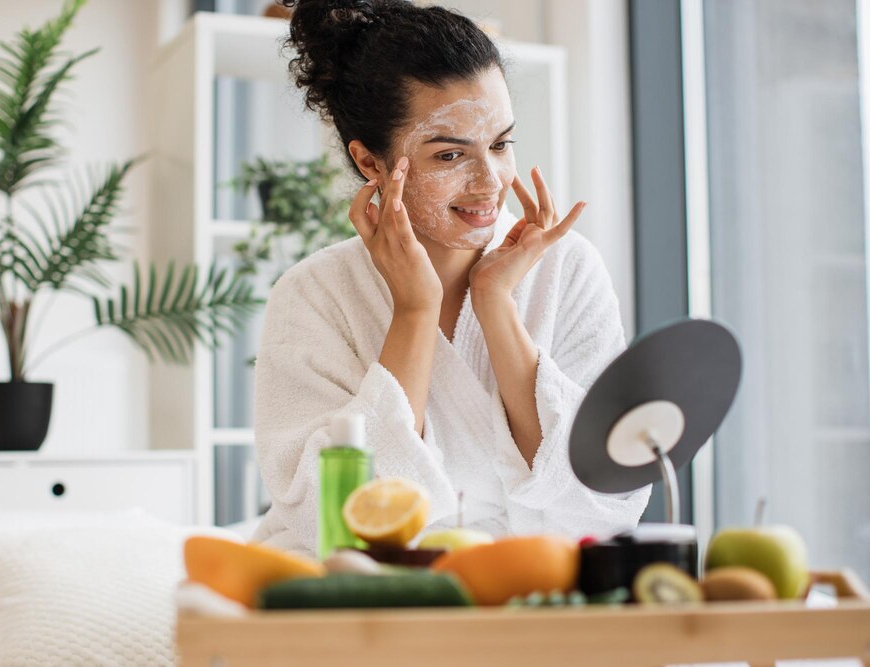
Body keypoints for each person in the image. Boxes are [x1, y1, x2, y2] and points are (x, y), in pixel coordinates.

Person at [252, 0, 650, 557]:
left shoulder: (567, 267)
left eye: (501, 144)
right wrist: (414, 312)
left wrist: (496, 304)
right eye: (449, 155)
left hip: (534, 586)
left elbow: (605, 495)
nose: (490, 182)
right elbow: (325, 520)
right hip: (367, 597)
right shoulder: (314, 294)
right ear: (371, 164)